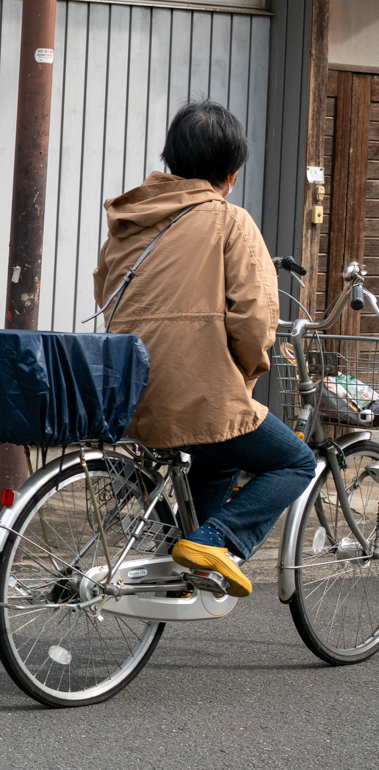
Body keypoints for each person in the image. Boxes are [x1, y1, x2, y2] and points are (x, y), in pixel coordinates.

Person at [91, 100, 316, 598]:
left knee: (221, 452)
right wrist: (246, 375)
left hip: (125, 390)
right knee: (296, 462)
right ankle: (215, 540)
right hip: (192, 392)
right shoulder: (230, 221)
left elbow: (105, 293)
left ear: (170, 160)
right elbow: (255, 320)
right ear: (231, 175)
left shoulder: (128, 220)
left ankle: (184, 562)